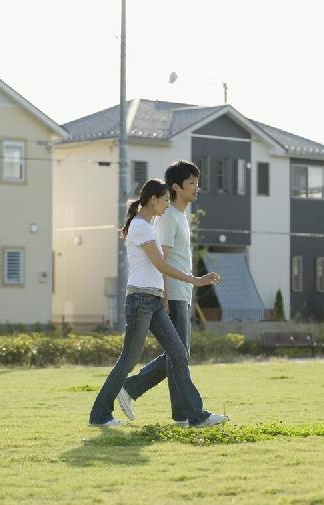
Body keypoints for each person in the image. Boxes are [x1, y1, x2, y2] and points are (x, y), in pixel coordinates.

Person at [88, 178, 230, 428]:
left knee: (178, 353)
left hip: (152, 300)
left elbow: (158, 270)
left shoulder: (148, 225)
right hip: (140, 300)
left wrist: (162, 296)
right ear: (153, 199)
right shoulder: (141, 227)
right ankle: (100, 414)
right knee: (129, 360)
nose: (167, 205)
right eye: (165, 200)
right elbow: (161, 265)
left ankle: (195, 416)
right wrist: (195, 280)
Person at [118, 161, 206, 427]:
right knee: (178, 354)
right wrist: (165, 298)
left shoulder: (179, 216)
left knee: (178, 355)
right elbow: (163, 261)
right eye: (192, 182)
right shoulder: (168, 218)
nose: (197, 187)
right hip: (174, 294)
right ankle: (133, 389)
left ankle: (181, 414)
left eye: (197, 182)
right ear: (176, 187)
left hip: (182, 292)